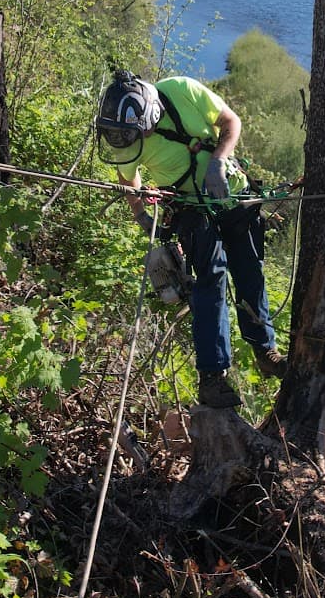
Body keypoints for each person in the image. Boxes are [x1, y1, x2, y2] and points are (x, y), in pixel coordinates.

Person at [95, 70, 285, 408]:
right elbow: (130, 181)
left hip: (232, 193)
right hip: (189, 207)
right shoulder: (127, 136)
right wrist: (142, 217)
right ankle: (213, 377)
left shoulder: (182, 90)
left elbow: (230, 122)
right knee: (210, 282)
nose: (131, 141)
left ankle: (264, 350)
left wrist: (218, 162)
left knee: (249, 272)